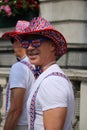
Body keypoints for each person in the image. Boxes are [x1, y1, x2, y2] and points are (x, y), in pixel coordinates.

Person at [2, 17, 75, 130]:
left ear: (52, 45)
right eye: (26, 43)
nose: (30, 48)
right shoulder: (47, 76)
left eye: (36, 42)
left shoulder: (52, 82)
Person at [1, 26, 35, 130]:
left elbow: (15, 109)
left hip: (19, 124)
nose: (12, 45)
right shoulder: (36, 65)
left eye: (13, 40)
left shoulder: (19, 67)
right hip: (32, 123)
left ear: (19, 42)